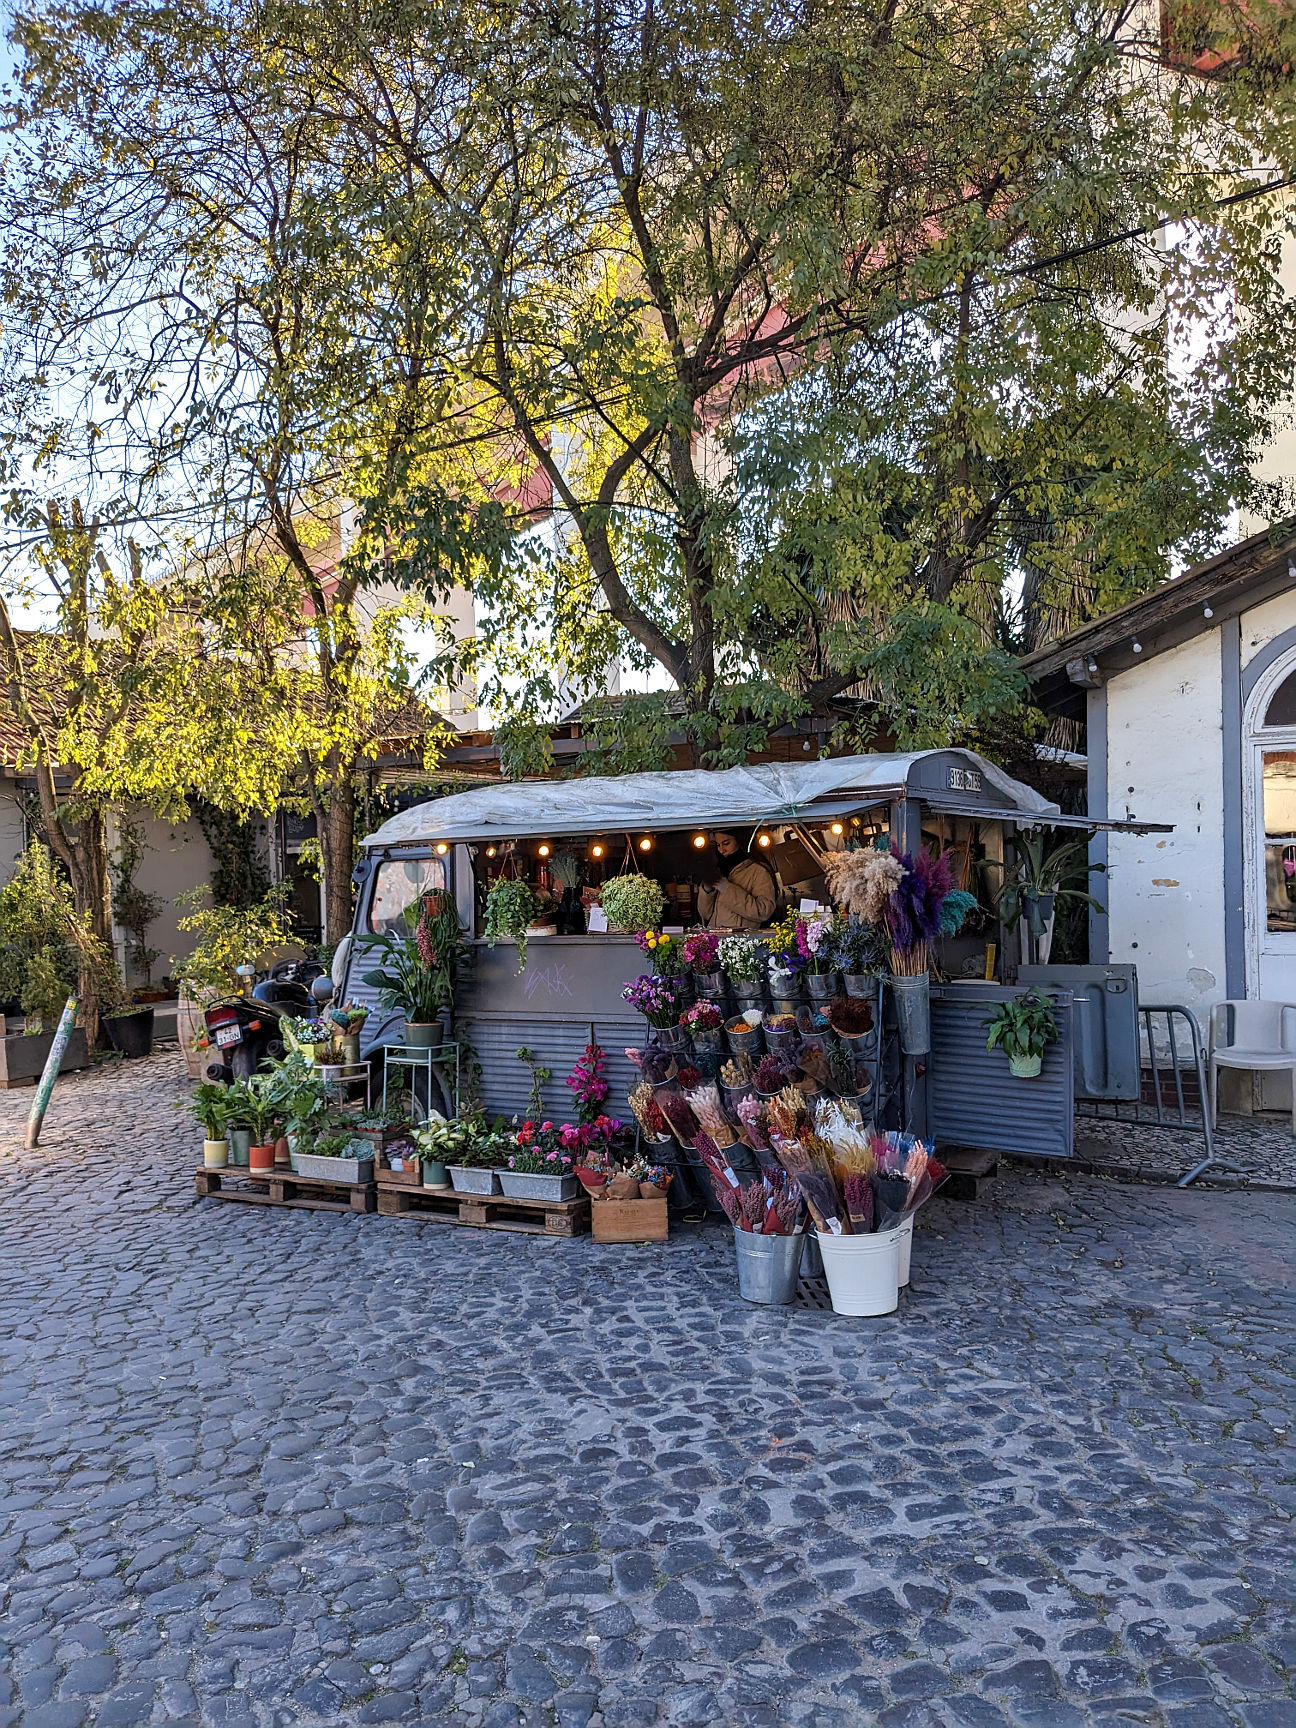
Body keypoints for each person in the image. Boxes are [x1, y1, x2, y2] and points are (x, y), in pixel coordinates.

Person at [695, 831, 779, 931]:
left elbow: (764, 911)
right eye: (718, 845)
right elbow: (706, 915)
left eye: (726, 843)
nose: (722, 850)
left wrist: (726, 888)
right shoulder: (719, 870)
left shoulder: (758, 871)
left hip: (743, 941)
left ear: (739, 841)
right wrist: (707, 891)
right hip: (716, 938)